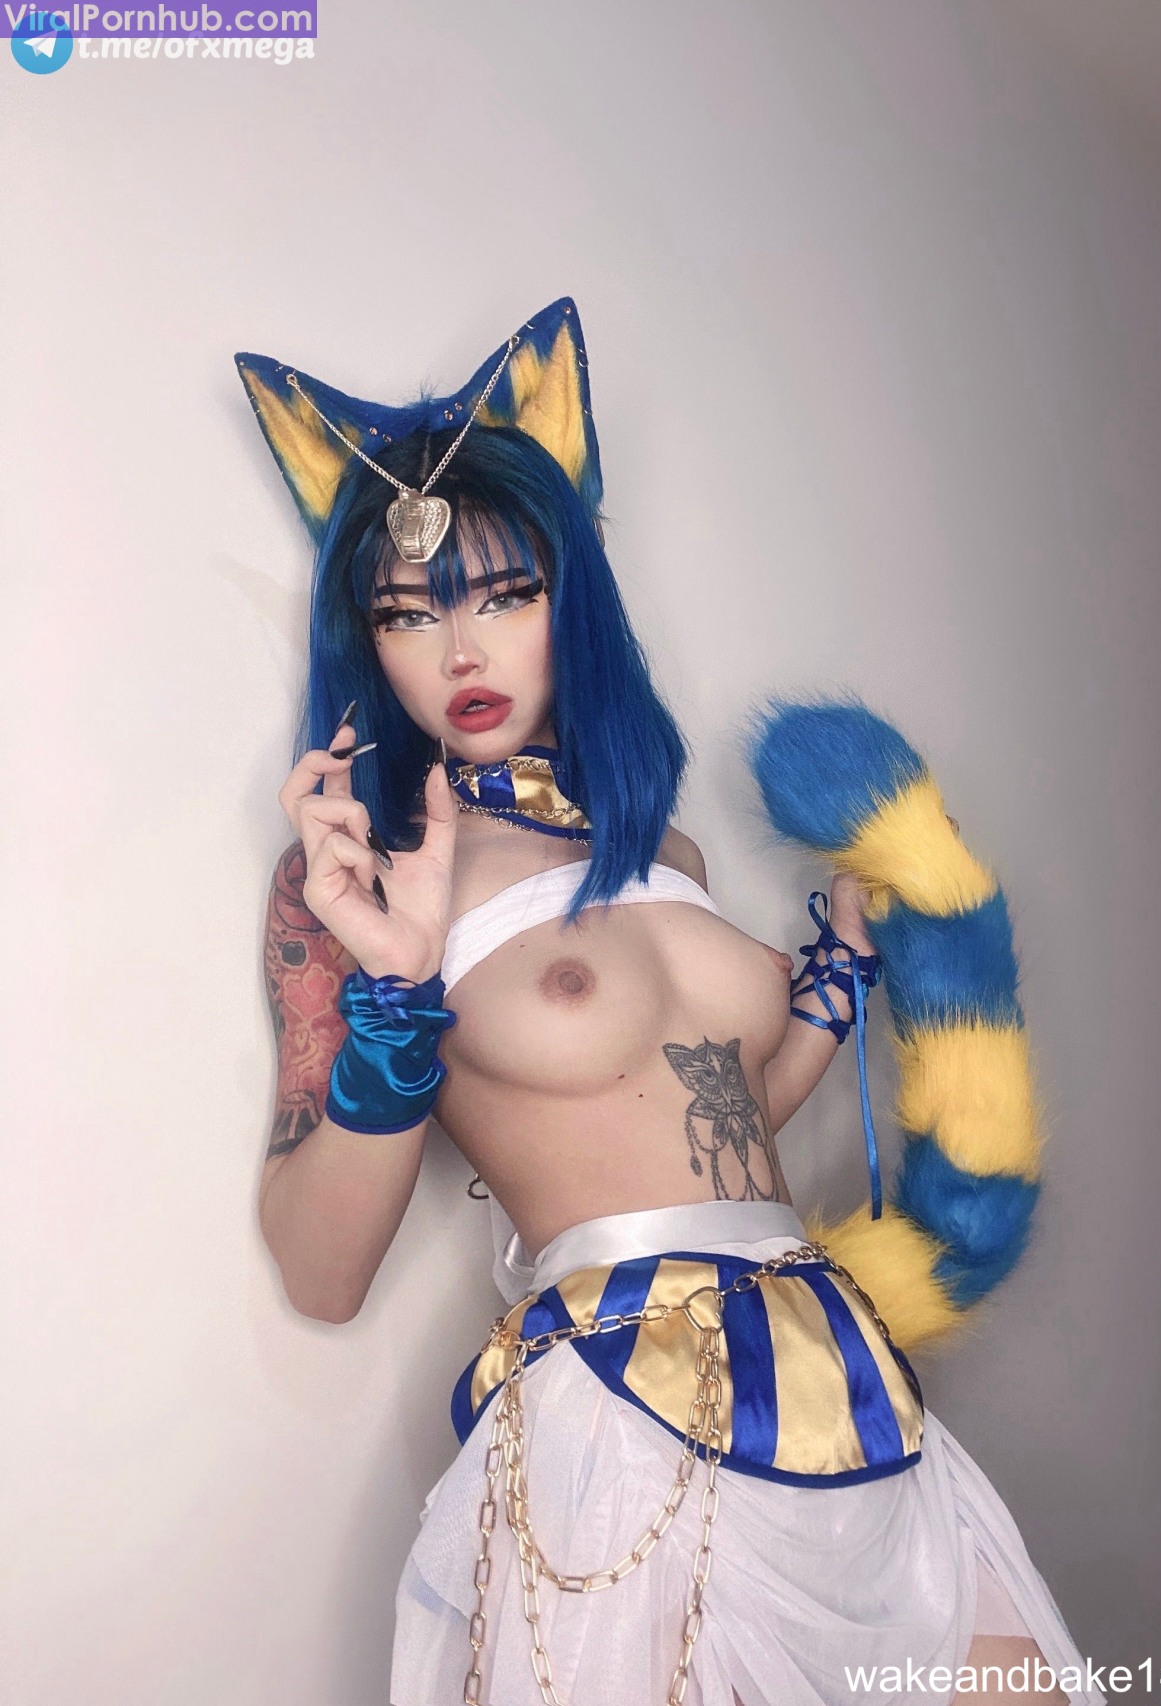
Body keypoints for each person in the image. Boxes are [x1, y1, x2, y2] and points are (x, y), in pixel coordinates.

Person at [240, 300, 1102, 1706]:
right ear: (370, 643)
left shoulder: (666, 852)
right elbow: (320, 1275)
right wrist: (393, 995)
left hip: (843, 1376)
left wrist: (832, 982)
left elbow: (717, 1114)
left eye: (504, 595)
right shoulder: (360, 885)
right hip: (621, 1421)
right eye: (409, 612)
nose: (460, 651)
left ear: (572, 602)